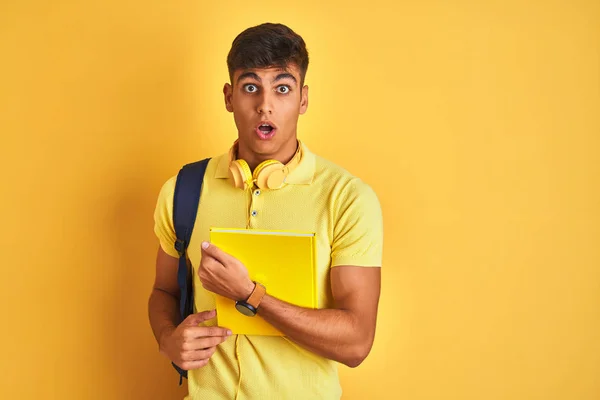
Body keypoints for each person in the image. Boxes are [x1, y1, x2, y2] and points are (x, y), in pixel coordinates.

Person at [148, 22, 383, 400]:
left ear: (303, 99)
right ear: (229, 96)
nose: (265, 106)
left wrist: (251, 295)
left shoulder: (347, 198)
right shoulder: (183, 190)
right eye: (251, 87)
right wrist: (167, 338)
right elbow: (163, 290)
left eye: (283, 88)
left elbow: (356, 342)